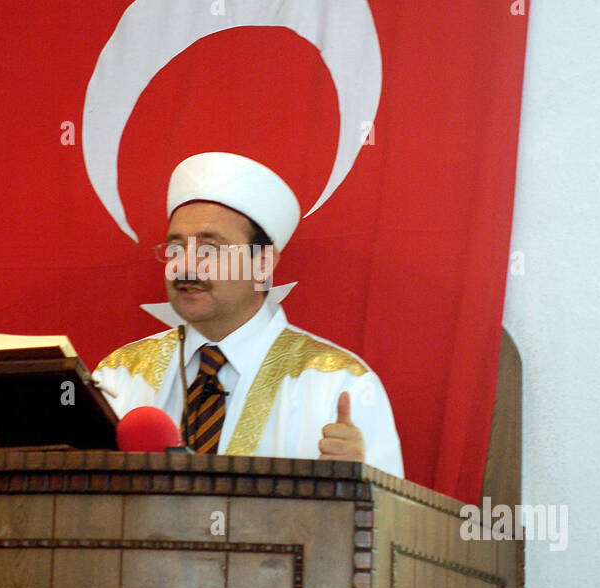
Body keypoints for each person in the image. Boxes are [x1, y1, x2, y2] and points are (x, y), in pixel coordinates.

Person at [92, 151, 403, 474]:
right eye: (175, 248)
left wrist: (359, 483)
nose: (184, 265)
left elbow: (388, 521)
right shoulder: (120, 377)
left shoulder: (339, 385)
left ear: (263, 264)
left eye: (210, 249)